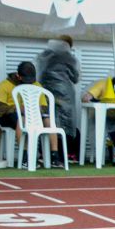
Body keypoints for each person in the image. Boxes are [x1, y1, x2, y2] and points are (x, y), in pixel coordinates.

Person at [35, 35, 80, 166]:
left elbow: (38, 74)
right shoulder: (70, 58)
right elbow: (75, 77)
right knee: (65, 125)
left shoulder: (43, 56)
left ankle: (44, 154)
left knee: (47, 122)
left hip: (44, 91)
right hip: (64, 93)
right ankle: (62, 155)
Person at [82, 71, 115, 164]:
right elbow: (86, 97)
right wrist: (93, 99)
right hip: (101, 115)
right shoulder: (103, 84)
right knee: (111, 125)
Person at [0, 59, 41, 160]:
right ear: (18, 76)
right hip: (8, 116)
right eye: (26, 81)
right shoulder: (4, 85)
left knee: (43, 120)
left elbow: (44, 107)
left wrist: (34, 109)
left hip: (30, 115)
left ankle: (45, 155)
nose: (28, 84)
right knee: (21, 119)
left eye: (31, 82)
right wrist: (17, 108)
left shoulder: (36, 85)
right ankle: (25, 154)